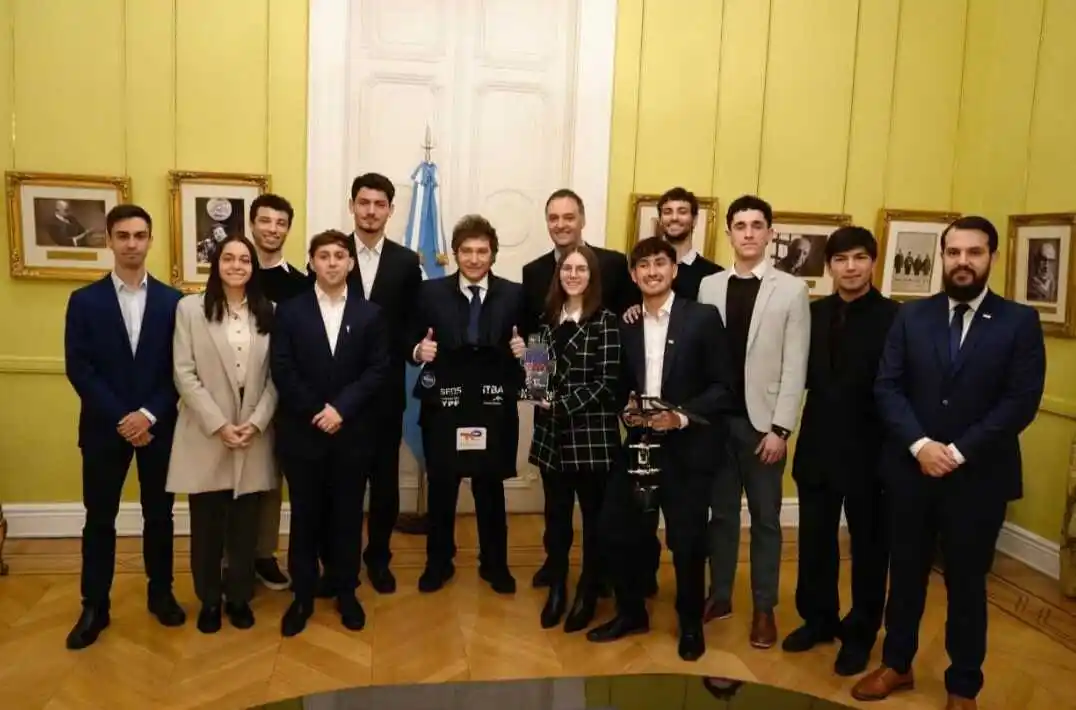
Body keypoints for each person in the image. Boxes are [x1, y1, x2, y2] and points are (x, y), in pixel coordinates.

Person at [853, 216, 1046, 710]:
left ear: (992, 257)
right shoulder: (911, 317)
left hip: (977, 478)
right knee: (907, 575)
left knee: (966, 584)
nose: (963, 261)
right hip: (911, 472)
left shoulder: (1018, 321)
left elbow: (1019, 402)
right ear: (942, 256)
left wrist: (957, 452)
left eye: (974, 252)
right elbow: (887, 387)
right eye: (954, 252)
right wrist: (921, 445)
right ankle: (897, 664)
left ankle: (963, 685)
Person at [586, 237, 734, 662]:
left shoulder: (703, 318)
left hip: (686, 449)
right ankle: (631, 613)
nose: (652, 271)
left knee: (687, 541)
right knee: (618, 530)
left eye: (660, 264)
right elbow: (614, 382)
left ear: (673, 270)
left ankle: (690, 623)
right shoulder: (623, 323)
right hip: (637, 446)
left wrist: (681, 415)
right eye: (643, 265)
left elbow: (723, 386)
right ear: (633, 275)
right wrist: (625, 410)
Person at [63, 204, 185, 650]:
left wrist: (148, 415)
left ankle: (161, 592)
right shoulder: (84, 301)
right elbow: (79, 368)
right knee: (100, 519)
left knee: (160, 516)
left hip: (159, 428)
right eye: (123, 235)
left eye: (139, 235)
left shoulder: (175, 303)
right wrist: (123, 418)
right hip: (103, 429)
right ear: (109, 241)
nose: (132, 243)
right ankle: (95, 604)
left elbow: (180, 370)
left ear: (150, 239)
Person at [782, 226, 898, 676]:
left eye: (859, 258)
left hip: (872, 450)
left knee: (869, 546)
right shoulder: (812, 313)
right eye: (841, 260)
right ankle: (818, 619)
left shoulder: (895, 317)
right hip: (817, 445)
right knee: (815, 541)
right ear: (828, 266)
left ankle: (862, 631)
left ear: (872, 262)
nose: (850, 268)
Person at [696, 194, 810, 648]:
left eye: (756, 225)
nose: (747, 233)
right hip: (717, 425)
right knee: (720, 516)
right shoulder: (709, 286)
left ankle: (764, 608)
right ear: (728, 233)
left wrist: (781, 429)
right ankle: (719, 594)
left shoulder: (791, 290)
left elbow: (795, 364)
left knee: (765, 520)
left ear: (769, 233)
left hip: (764, 428)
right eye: (739, 225)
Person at [270, 230, 390, 637]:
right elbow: (282, 369)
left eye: (341, 255)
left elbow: (377, 370)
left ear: (351, 264)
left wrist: (341, 409)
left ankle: (346, 591)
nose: (333, 262)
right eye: (325, 256)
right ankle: (302, 596)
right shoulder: (289, 311)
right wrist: (316, 410)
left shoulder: (370, 313)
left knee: (347, 516)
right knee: (305, 517)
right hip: (303, 433)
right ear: (312, 263)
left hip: (352, 432)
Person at [522, 188, 640, 591]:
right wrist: (536, 388)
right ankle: (556, 573)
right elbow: (534, 357)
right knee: (555, 512)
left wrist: (559, 403)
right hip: (551, 430)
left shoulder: (606, 312)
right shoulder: (544, 308)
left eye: (568, 216)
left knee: (595, 513)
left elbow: (610, 373)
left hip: (591, 428)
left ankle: (594, 581)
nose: (560, 224)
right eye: (553, 217)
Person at [312, 173, 422, 596]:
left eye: (380, 204)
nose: (371, 211)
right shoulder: (332, 252)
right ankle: (338, 565)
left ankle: (378, 559)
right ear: (352, 205)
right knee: (338, 484)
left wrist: (415, 351)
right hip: (337, 393)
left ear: (390, 210)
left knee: (385, 484)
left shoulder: (406, 261)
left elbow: (411, 322)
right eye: (364, 202)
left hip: (386, 392)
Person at [166, 235, 278, 633]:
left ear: (253, 267)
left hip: (253, 432)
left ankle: (239, 598)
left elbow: (275, 378)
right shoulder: (190, 309)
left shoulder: (269, 311)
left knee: (246, 527)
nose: (236, 265)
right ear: (216, 264)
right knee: (208, 527)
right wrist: (219, 425)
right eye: (228, 258)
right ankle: (210, 601)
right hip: (207, 432)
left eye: (244, 260)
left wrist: (257, 421)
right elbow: (184, 372)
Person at [411, 215, 526, 595]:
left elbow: (538, 345)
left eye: (482, 251)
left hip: (493, 404)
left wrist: (528, 357)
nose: (475, 259)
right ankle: (437, 562)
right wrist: (417, 350)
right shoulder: (429, 293)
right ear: (455, 253)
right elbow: (406, 341)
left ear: (493, 254)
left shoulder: (515, 294)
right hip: (446, 403)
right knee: (442, 486)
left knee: (489, 488)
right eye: (467, 251)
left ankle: (495, 564)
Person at [528, 244, 622, 633]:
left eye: (581, 269)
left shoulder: (607, 322)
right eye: (567, 268)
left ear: (592, 275)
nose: (573, 274)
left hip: (592, 440)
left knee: (595, 521)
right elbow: (535, 376)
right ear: (559, 275)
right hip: (552, 440)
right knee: (557, 520)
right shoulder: (545, 320)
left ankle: (588, 590)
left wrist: (561, 404)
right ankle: (558, 590)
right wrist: (538, 391)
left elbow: (607, 384)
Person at [246, 193, 310, 592]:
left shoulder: (301, 285)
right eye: (265, 221)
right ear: (251, 225)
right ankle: (231, 558)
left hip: (285, 398)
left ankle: (263, 554)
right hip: (236, 397)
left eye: (280, 222)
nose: (272, 229)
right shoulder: (233, 272)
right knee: (236, 482)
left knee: (273, 481)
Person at [657, 187, 723, 300]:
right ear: (660, 219)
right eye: (668, 212)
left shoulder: (715, 275)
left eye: (682, 212)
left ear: (695, 219)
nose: (674, 218)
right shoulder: (645, 271)